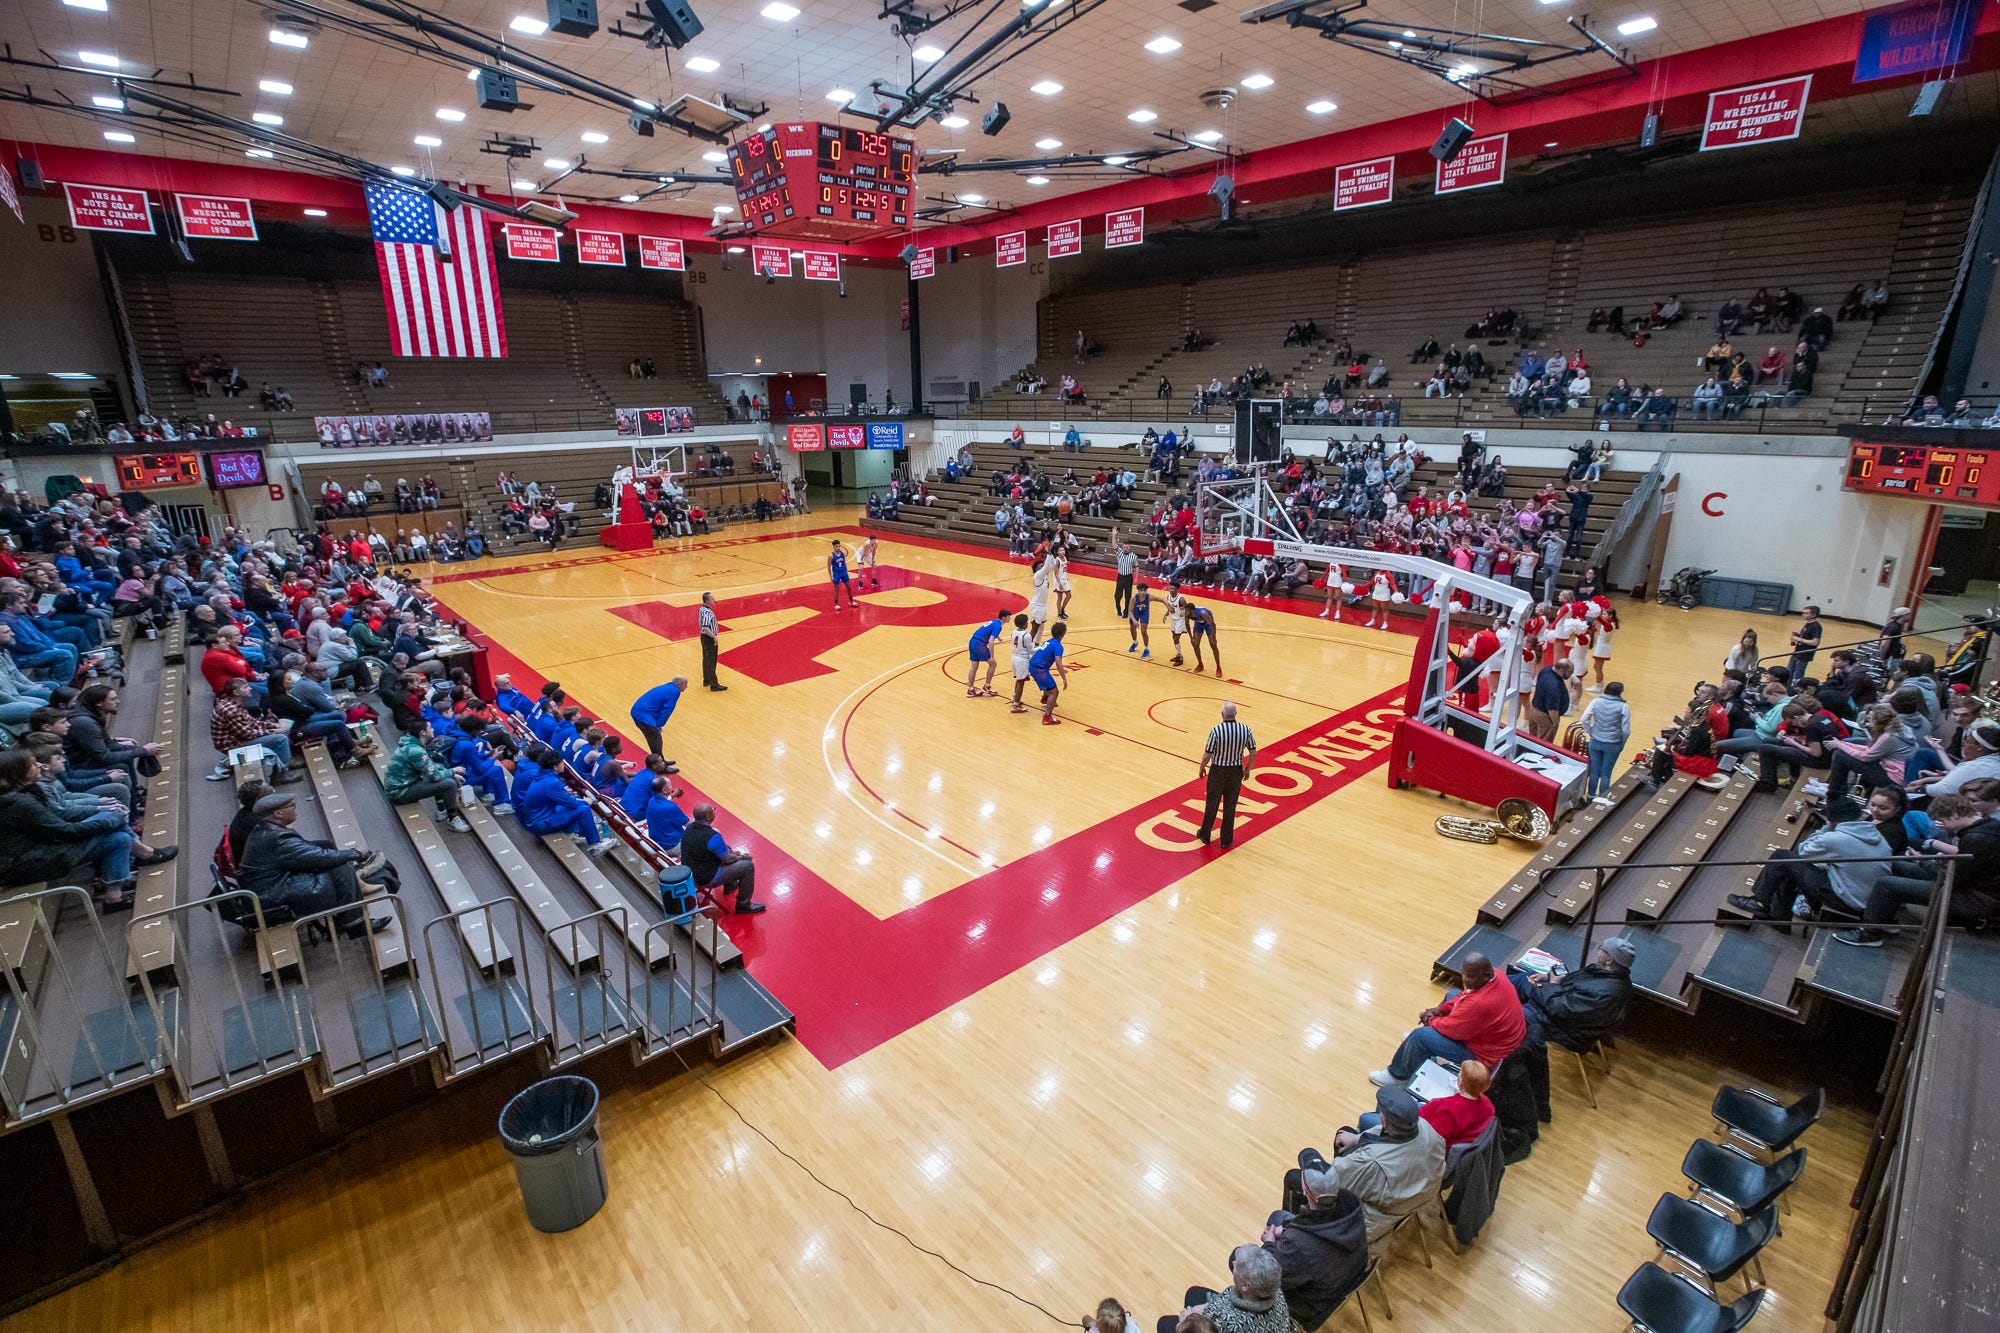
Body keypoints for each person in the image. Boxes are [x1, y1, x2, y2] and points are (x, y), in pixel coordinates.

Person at [1836, 792, 2000, 946]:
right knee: (1895, 864)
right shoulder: (1988, 826)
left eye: (1943, 820)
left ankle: (1869, 934)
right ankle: (1883, 913)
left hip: (1973, 896)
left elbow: (1955, 879)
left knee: (1886, 884)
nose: (1943, 826)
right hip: (1967, 884)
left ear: (1956, 815)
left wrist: (1923, 860)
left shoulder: (1976, 838)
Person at [1295, 1088, 1446, 1253]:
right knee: (1346, 1132)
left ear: (1383, 1119)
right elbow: (1383, 1135)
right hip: (1416, 1194)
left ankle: (1298, 1228)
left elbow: (1330, 1185)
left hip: (1370, 1221)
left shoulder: (1371, 1163)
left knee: (1296, 1178)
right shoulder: (1424, 1127)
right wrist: (1357, 1139)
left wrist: (1311, 1159)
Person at [236, 791, 385, 937]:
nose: (295, 808)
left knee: (327, 848)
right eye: (291, 805)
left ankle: (346, 915)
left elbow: (308, 853)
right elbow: (317, 857)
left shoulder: (264, 829)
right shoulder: (278, 837)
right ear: (278, 814)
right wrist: (356, 853)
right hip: (273, 896)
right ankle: (355, 925)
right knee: (341, 869)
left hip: (270, 887)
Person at [1370, 952, 1524, 1086]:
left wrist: (1430, 1020)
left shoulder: (1482, 1003)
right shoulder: (1495, 975)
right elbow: (1464, 996)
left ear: (1485, 974)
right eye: (1464, 974)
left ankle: (1397, 1077)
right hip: (1493, 1039)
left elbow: (1454, 1030)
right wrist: (1440, 1010)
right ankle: (1418, 1047)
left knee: (1420, 1037)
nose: (1465, 980)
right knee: (1451, 994)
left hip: (1485, 1055)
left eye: (1470, 977)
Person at [1258, 1166, 1367, 1331]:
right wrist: (1289, 1229)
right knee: (1278, 1217)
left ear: (1305, 1192)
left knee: (1238, 1260)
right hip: (1344, 1278)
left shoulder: (1300, 1245)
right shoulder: (1351, 1208)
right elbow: (1314, 1230)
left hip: (1308, 1309)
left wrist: (1269, 1243)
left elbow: (1272, 1276)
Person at [1511, 938, 1634, 1050]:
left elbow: (1560, 1010)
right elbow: (1575, 989)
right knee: (1526, 978)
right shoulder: (1607, 973)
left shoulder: (1606, 992)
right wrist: (1549, 978)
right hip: (1558, 1004)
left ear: (1609, 959)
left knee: (1511, 1014)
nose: (1598, 949)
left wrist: (1553, 984)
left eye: (1602, 948)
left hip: (1562, 1030)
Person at [1157, 1245, 1289, 1333]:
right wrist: (1207, 1307)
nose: (1233, 1264)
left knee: (1164, 1324)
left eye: (1237, 1267)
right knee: (1194, 1293)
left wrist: (1186, 1322)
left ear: (1245, 1286)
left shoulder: (1231, 1323)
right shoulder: (1274, 1290)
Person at [385, 719, 472, 833]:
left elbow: (431, 766)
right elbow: (435, 776)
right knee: (449, 783)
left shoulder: (412, 743)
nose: (433, 729)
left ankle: (442, 810)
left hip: (404, 783)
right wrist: (452, 772)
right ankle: (452, 818)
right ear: (423, 732)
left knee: (441, 770)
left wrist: (449, 772)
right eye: (430, 728)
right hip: (399, 792)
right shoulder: (416, 750)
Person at [679, 802, 765, 914]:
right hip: (706, 878)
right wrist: (742, 857)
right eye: (713, 810)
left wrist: (734, 855)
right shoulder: (712, 836)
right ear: (708, 817)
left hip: (689, 872)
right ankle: (743, 905)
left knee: (728, 850)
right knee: (747, 866)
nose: (714, 811)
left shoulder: (689, 828)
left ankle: (730, 886)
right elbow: (727, 859)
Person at [1197, 702, 1256, 848]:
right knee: (1230, 806)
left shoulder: (1216, 730)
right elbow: (1253, 752)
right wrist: (1247, 768)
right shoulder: (1245, 729)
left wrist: (1202, 767)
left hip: (1218, 772)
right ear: (1236, 714)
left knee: (1212, 804)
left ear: (1222, 714)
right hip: (1235, 772)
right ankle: (1226, 840)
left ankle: (1205, 834)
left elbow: (1207, 754)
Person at [1575, 681, 1630, 804]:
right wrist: (1622, 743)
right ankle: (1602, 798)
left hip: (1595, 741)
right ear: (1620, 692)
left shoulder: (1596, 701)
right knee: (1606, 773)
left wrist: (1591, 731)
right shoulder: (1623, 707)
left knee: (1594, 771)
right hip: (1613, 743)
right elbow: (1625, 730)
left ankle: (1590, 796)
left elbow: (1584, 719)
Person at [629, 676, 687, 760]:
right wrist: (659, 725)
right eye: (686, 684)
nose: (687, 686)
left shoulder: (669, 686)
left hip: (640, 711)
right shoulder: (675, 691)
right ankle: (659, 765)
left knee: (653, 739)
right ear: (680, 685)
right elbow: (667, 710)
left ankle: (659, 762)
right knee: (656, 739)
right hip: (643, 715)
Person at [1031, 622, 1069, 725]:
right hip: (1039, 669)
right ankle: (1047, 717)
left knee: (1048, 682)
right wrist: (1064, 678)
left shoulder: (1048, 641)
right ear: (1063, 634)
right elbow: (1058, 662)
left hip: (1033, 665)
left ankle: (1045, 698)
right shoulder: (1058, 646)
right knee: (1054, 692)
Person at [1525, 659, 1572, 743]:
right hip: (1545, 716)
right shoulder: (1554, 685)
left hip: (1534, 710)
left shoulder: (1545, 670)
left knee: (1532, 741)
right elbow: (1552, 708)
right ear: (1561, 670)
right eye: (1570, 672)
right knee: (1543, 744)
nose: (1570, 675)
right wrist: (1555, 723)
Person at [966, 607, 1006, 698]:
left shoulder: (994, 621)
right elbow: (991, 641)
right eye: (1008, 617)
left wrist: (998, 637)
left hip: (972, 641)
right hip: (980, 644)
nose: (1010, 618)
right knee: (993, 664)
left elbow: (989, 629)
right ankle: (987, 686)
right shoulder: (999, 626)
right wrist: (992, 656)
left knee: (974, 666)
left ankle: (970, 689)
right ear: (1004, 618)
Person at [698, 590, 727, 692]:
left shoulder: (702, 609)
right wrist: (714, 637)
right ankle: (713, 684)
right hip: (708, 638)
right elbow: (706, 627)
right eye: (712, 599)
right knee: (711, 660)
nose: (714, 600)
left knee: (706, 659)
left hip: (704, 637)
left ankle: (706, 679)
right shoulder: (707, 612)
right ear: (707, 600)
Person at [1787, 605, 1823, 682]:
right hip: (1797, 651)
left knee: (1797, 675)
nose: (1803, 614)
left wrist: (1799, 639)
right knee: (1789, 672)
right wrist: (1799, 635)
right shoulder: (1808, 624)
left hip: (1804, 654)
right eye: (1803, 613)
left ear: (1813, 615)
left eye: (1806, 613)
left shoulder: (1816, 626)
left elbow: (1815, 642)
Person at [1112, 531, 1138, 617]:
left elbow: (1137, 566)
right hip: (1120, 577)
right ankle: (1118, 609)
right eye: (1124, 547)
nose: (1125, 548)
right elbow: (1114, 544)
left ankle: (1126, 611)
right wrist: (1114, 535)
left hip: (1128, 578)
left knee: (1128, 596)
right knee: (1117, 596)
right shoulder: (1119, 552)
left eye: (1126, 547)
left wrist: (1136, 578)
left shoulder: (1133, 556)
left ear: (1129, 547)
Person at [1127, 579, 1152, 660]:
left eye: (1145, 590)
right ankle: (1135, 642)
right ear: (1138, 591)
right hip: (1135, 613)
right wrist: (1134, 620)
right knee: (1132, 628)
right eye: (1141, 590)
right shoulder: (1134, 598)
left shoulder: (1149, 597)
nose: (1143, 592)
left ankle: (1146, 649)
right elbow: (1130, 611)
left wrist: (1168, 606)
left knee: (1144, 631)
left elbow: (1162, 599)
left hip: (1144, 613)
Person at [828, 539, 857, 609]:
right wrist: (831, 576)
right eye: (836, 546)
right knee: (836, 589)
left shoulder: (842, 553)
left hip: (843, 572)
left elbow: (844, 562)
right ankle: (836, 603)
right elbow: (828, 566)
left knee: (849, 587)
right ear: (833, 547)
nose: (838, 548)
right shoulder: (831, 556)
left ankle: (851, 601)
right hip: (836, 573)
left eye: (839, 546)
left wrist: (847, 571)